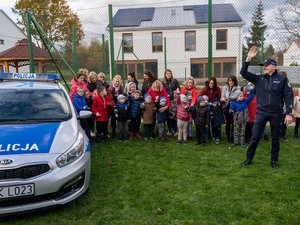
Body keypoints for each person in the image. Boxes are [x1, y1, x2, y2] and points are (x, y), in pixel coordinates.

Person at [240, 46, 293, 168]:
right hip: (261, 113)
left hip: (276, 113)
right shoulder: (259, 78)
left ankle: (274, 161)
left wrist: (289, 113)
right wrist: (248, 58)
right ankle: (248, 159)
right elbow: (243, 72)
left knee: (275, 139)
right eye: (263, 66)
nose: (264, 67)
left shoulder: (282, 79)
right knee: (255, 137)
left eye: (266, 66)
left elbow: (288, 95)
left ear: (274, 67)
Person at [221, 76, 241, 143]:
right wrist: (223, 99)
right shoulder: (224, 87)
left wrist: (230, 98)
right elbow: (222, 97)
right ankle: (228, 137)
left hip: (234, 106)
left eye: (232, 80)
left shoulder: (238, 87)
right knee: (228, 123)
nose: (231, 82)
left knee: (233, 122)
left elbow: (237, 96)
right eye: (229, 80)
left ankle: (233, 137)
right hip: (227, 106)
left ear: (234, 81)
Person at [162, 69, 180, 136]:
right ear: (165, 75)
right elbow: (162, 91)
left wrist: (177, 92)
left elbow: (178, 89)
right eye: (167, 74)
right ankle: (170, 130)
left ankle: (175, 130)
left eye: (169, 73)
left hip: (174, 101)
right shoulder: (163, 82)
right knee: (168, 116)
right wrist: (166, 95)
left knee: (174, 116)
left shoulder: (175, 81)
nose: (168, 75)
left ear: (171, 74)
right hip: (167, 101)